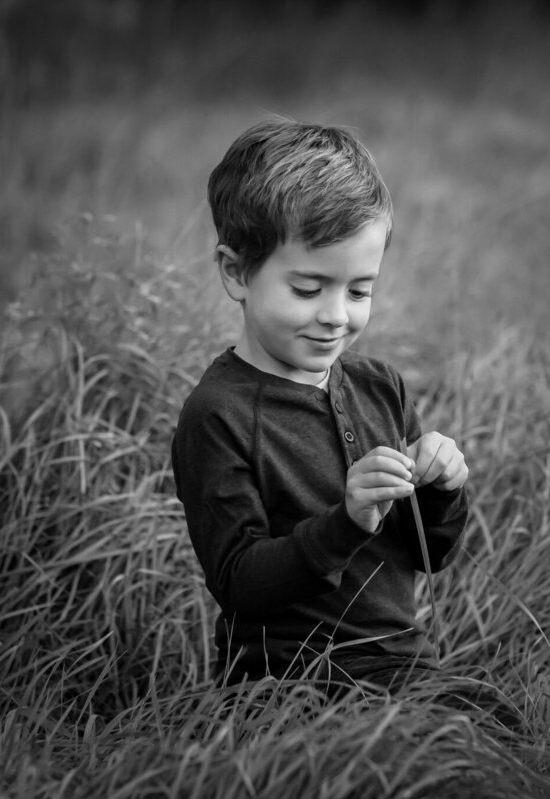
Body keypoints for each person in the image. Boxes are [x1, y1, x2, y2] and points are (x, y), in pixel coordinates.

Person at [171, 118, 470, 696]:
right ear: (237, 272)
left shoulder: (380, 387)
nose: (336, 314)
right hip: (288, 686)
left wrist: (442, 489)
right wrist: (345, 522)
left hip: (404, 669)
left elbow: (430, 554)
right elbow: (239, 582)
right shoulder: (218, 415)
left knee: (497, 745)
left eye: (359, 291)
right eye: (308, 289)